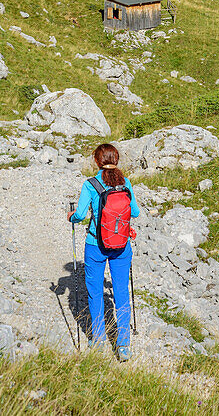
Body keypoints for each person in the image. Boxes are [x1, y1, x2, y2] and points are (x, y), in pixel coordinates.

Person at [69, 142, 140, 359]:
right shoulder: (125, 182)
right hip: (121, 246)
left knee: (95, 291)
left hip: (96, 245)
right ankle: (124, 345)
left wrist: (72, 216)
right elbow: (135, 212)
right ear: (116, 160)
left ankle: (98, 340)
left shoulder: (90, 184)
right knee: (121, 292)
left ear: (97, 161)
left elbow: (80, 215)